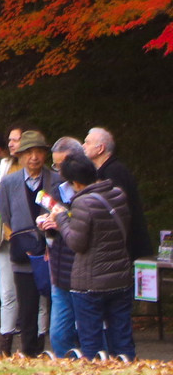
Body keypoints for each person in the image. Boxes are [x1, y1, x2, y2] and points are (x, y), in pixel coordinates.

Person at [60, 150, 136, 360]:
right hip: (120, 278)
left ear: (75, 182)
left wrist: (61, 219)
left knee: (91, 342)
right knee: (122, 339)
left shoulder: (82, 203)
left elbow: (77, 243)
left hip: (90, 283)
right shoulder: (118, 194)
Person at [0, 130, 58, 357]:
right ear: (20, 156)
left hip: (52, 251)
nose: (34, 157)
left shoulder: (56, 180)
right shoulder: (9, 182)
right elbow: (6, 215)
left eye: (39, 152)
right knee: (27, 304)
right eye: (29, 152)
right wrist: (23, 235)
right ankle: (29, 353)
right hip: (23, 251)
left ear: (45, 154)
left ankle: (57, 351)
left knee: (55, 303)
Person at [0, 125, 29, 353]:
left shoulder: (39, 169)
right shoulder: (4, 166)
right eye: (9, 139)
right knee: (7, 292)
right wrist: (5, 184)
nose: (11, 144)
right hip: (5, 236)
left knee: (34, 293)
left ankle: (33, 344)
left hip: (30, 236)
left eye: (16, 139)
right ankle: (4, 346)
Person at [39, 137, 85, 357]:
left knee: (86, 331)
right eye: (56, 166)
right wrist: (47, 224)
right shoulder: (58, 188)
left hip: (83, 271)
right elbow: (49, 215)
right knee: (58, 333)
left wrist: (63, 221)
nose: (60, 171)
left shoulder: (91, 189)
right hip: (59, 269)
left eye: (62, 165)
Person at [83, 127, 153, 260]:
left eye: (87, 142)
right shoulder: (107, 170)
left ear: (100, 149)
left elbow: (117, 211)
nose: (83, 146)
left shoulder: (113, 172)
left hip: (128, 245)